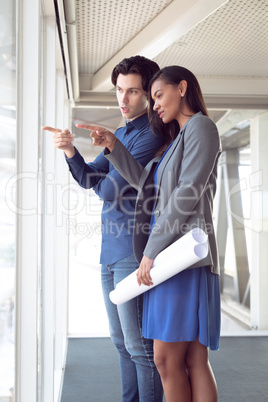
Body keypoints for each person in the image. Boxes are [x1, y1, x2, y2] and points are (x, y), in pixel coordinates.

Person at [85, 65, 222, 402]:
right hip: (170, 259)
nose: (155, 104)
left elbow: (187, 192)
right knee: (183, 359)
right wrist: (113, 145)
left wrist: (151, 250)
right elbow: (149, 187)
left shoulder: (201, 126)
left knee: (172, 358)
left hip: (181, 259)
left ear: (183, 88)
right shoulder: (177, 138)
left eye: (159, 95)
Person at [42, 56, 164, 402]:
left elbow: (108, 189)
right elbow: (88, 179)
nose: (123, 100)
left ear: (149, 93)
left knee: (140, 348)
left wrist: (109, 161)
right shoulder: (123, 133)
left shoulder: (151, 134)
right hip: (109, 252)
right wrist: (69, 150)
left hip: (132, 251)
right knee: (121, 344)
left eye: (133, 92)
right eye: (119, 91)